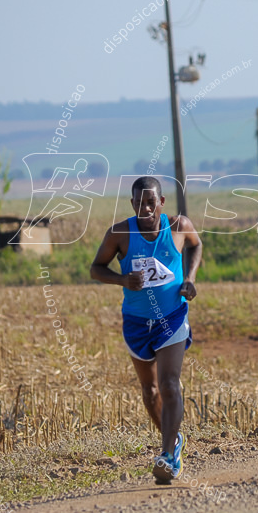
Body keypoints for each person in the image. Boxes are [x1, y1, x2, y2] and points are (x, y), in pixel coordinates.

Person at [90, 175, 202, 484]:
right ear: (132, 204)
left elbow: (196, 244)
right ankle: (174, 440)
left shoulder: (178, 226)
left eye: (151, 202)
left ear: (161, 203)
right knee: (149, 391)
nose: (145, 208)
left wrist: (189, 278)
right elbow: (95, 269)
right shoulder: (120, 233)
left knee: (169, 384)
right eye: (139, 203)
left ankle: (167, 456)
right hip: (137, 322)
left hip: (172, 318)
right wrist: (122, 280)